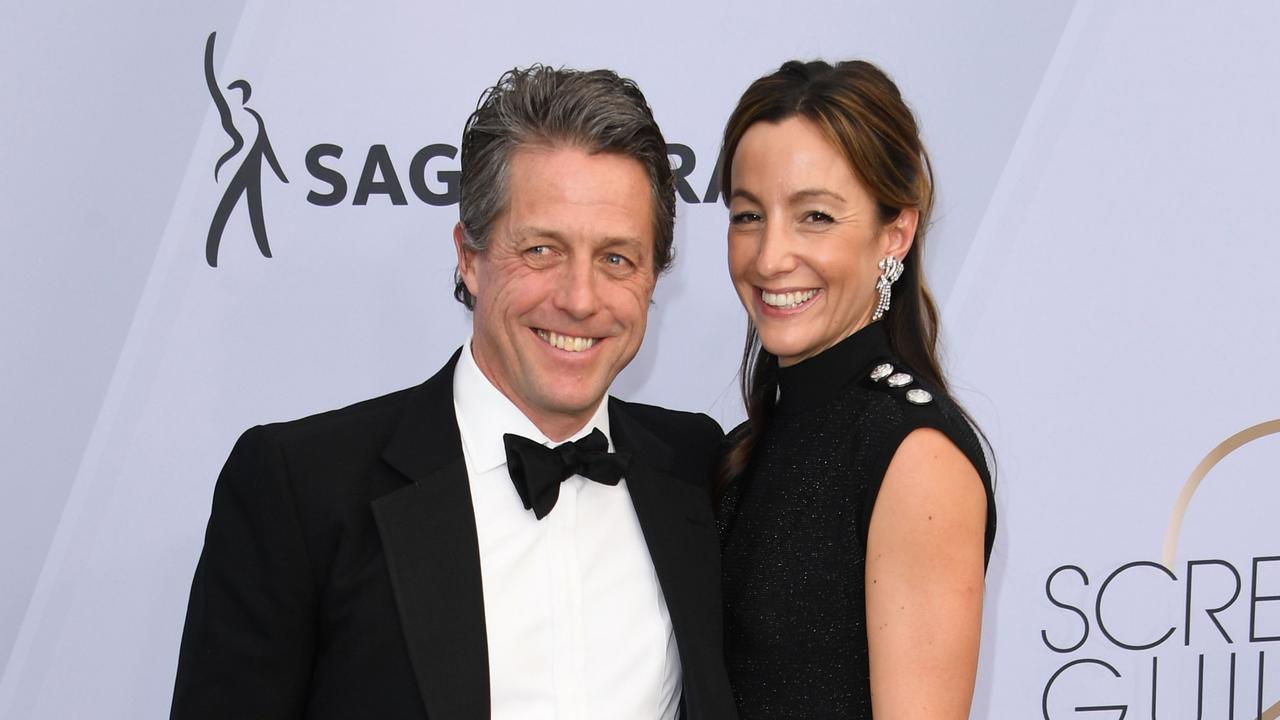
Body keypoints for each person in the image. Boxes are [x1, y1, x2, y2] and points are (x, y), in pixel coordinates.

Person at [171, 65, 738, 720]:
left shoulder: (695, 468)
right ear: (470, 259)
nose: (580, 299)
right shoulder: (301, 490)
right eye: (542, 250)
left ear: (652, 280)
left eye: (616, 258)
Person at [714, 60, 997, 719]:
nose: (770, 256)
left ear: (894, 232)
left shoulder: (914, 456)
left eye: (814, 216)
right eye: (749, 215)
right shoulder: (752, 446)